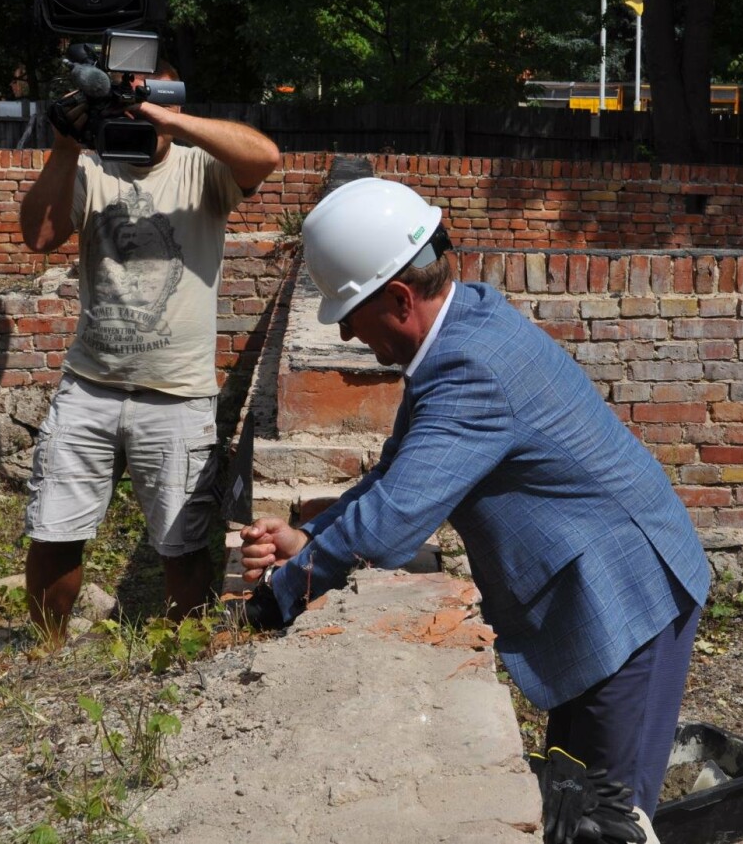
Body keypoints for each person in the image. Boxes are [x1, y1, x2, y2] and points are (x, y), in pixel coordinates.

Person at [238, 177, 710, 839]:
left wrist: (278, 596)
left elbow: (395, 522)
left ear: (400, 298)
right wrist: (309, 538)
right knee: (571, 794)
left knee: (605, 818)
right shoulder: (466, 324)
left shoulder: (470, 369)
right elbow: (396, 475)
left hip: (627, 592)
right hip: (600, 581)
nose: (345, 330)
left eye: (349, 310)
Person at [20, 61, 281, 644]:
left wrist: (165, 117)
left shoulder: (200, 170)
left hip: (178, 394)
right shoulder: (92, 170)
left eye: (144, 99)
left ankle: (183, 655)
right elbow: (38, 237)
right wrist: (64, 147)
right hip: (90, 387)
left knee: (181, 545)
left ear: (168, 98)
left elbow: (263, 156)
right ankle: (45, 651)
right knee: (54, 533)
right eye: (121, 103)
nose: (133, 117)